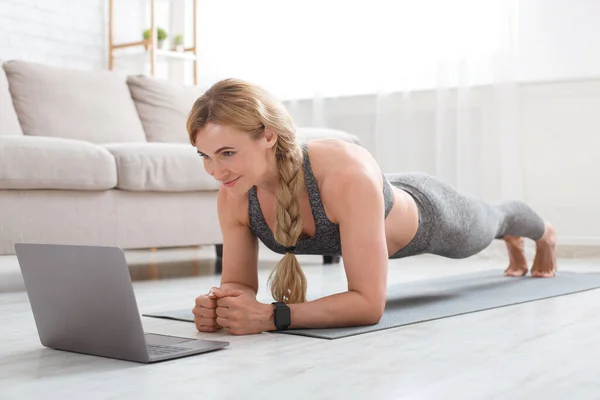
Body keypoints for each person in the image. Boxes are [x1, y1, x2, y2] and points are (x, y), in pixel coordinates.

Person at [187, 78, 557, 336]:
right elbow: (238, 284)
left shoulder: (344, 174)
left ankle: (544, 236)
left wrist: (272, 316)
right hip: (366, 198)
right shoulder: (235, 192)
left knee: (492, 220)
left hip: (429, 214)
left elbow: (368, 305)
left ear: (268, 135)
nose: (215, 171)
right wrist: (222, 306)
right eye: (205, 156)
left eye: (227, 153)